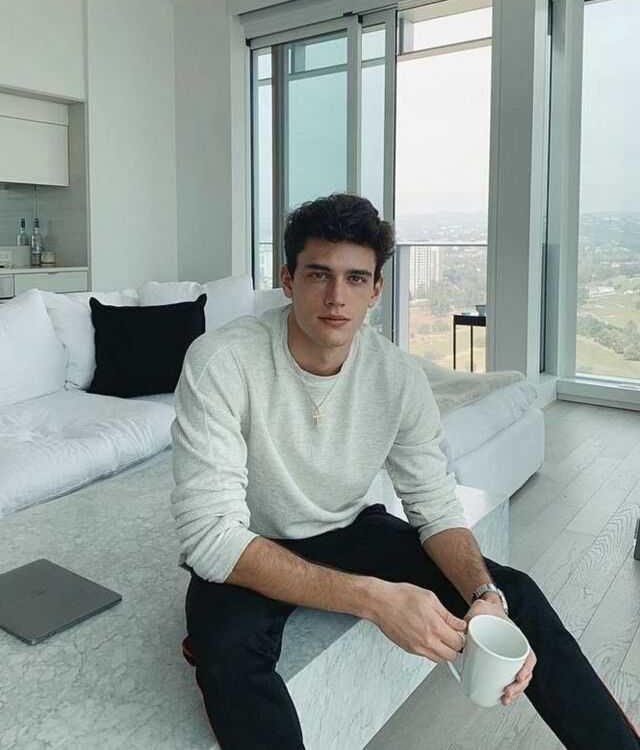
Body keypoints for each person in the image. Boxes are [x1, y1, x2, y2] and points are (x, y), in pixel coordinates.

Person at [171, 194, 639, 750]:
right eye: (318, 274)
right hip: (250, 542)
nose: (336, 296)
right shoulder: (221, 362)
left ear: (376, 290)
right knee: (226, 650)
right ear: (287, 280)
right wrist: (375, 600)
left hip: (350, 529)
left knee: (516, 595)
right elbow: (209, 537)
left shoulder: (396, 376)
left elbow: (435, 505)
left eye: (355, 278)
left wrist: (484, 593)